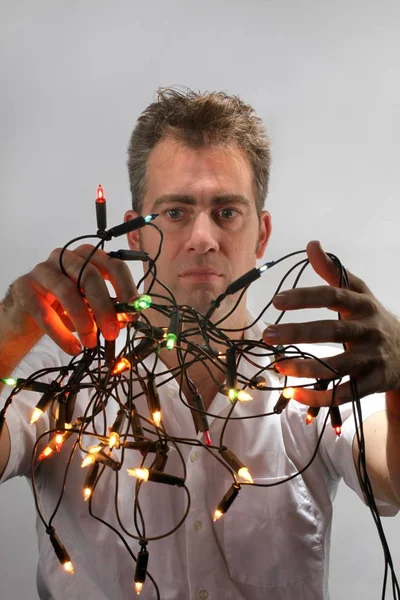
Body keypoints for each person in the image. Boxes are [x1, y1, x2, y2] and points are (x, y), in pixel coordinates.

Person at [0, 86, 400, 600]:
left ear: (262, 233)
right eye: (175, 212)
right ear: (135, 234)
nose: (203, 238)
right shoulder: (58, 375)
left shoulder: (320, 379)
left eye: (227, 211)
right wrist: (7, 333)